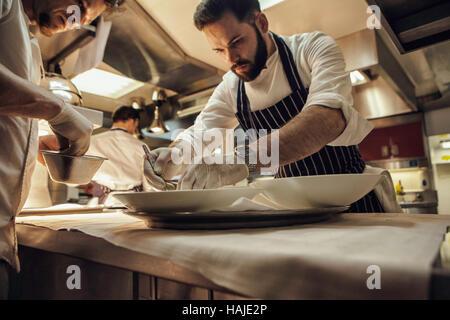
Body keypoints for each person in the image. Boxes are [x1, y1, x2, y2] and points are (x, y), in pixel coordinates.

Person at [144, 0, 396, 214]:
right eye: (219, 50)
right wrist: (173, 156)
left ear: (262, 24)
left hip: (350, 197)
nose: (230, 59)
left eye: (236, 42)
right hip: (293, 207)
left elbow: (326, 121)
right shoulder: (231, 87)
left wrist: (240, 161)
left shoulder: (312, 49)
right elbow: (200, 135)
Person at [0, 0, 125, 299]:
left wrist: (36, 148)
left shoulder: (27, 37)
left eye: (84, 19)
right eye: (80, 6)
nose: (76, 22)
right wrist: (58, 110)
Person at [86, 106, 153, 206]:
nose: (135, 129)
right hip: (134, 201)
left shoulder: (92, 141)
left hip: (103, 201)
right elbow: (148, 180)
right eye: (136, 125)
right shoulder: (141, 146)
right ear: (131, 121)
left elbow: (81, 174)